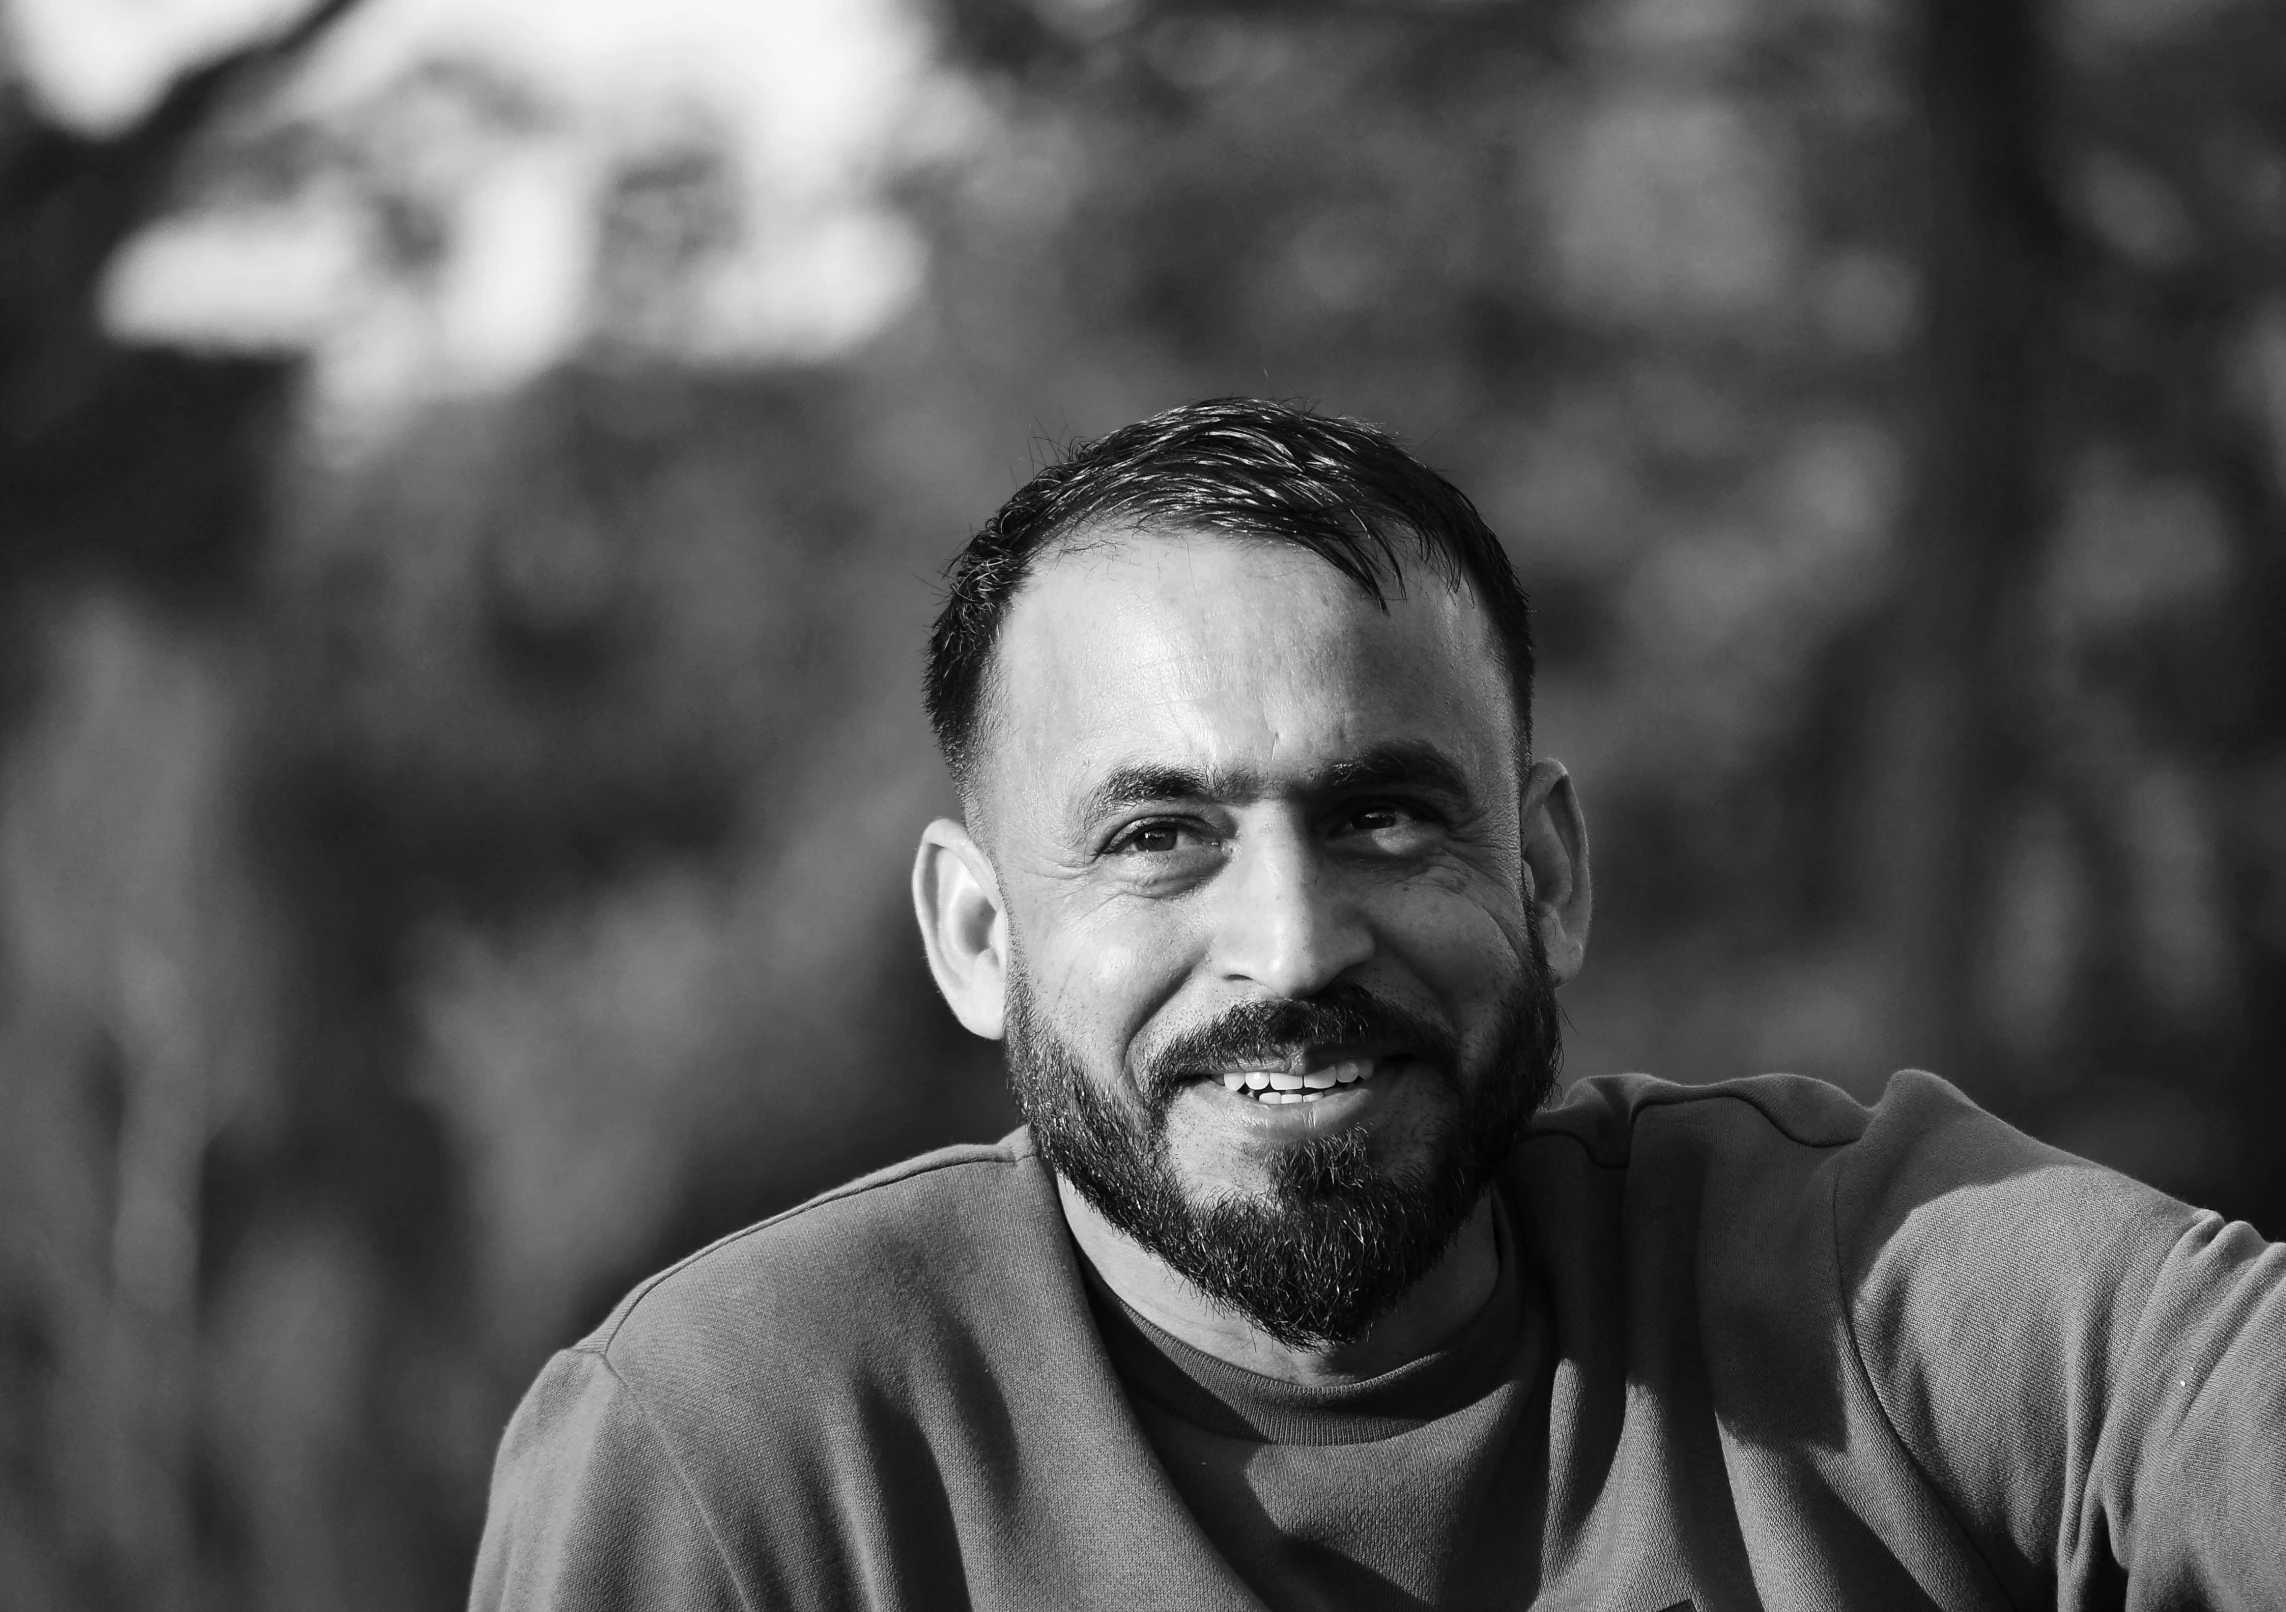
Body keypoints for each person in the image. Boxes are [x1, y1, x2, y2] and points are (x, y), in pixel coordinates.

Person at [470, 399, 2285, 1611]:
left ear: (1547, 872)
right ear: (972, 932)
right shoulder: (739, 1450)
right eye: (1160, 834)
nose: (1294, 945)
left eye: (1384, 814)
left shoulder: (1874, 1285)